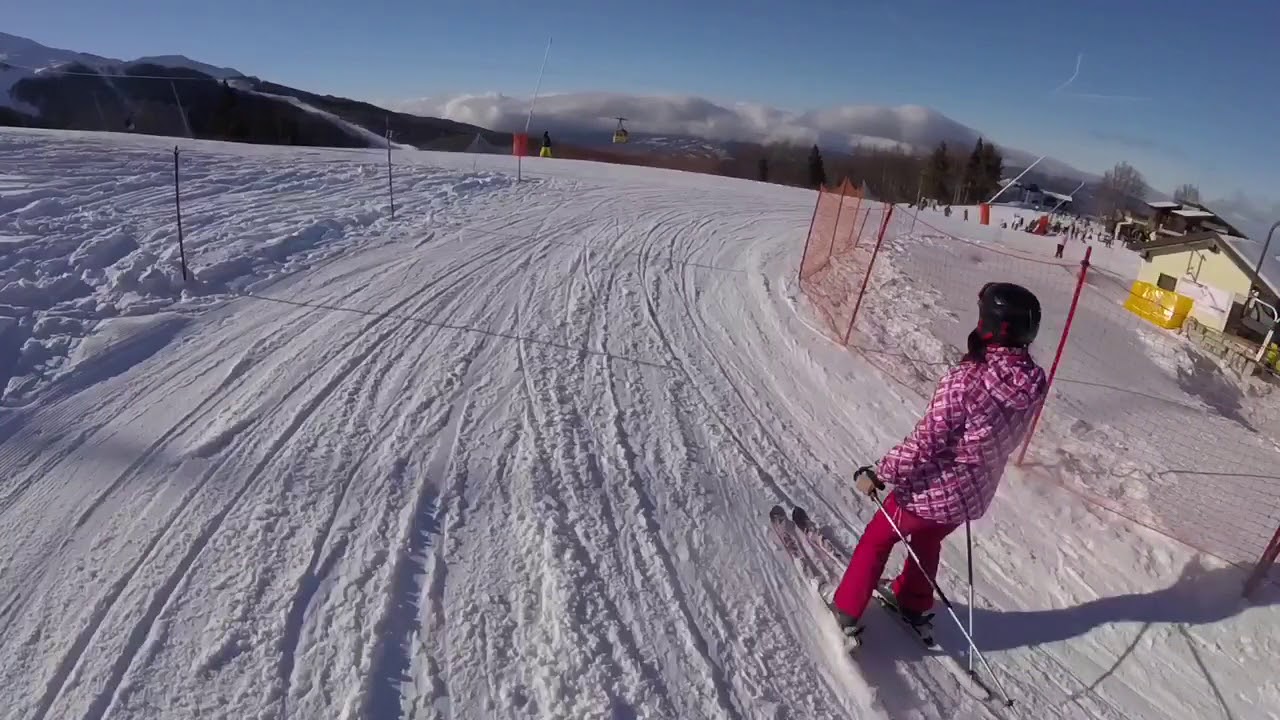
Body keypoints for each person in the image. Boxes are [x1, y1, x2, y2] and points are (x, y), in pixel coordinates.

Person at [826, 283, 1049, 645]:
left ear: (990, 324)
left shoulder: (967, 380)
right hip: (973, 493)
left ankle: (847, 607)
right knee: (929, 539)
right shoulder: (1034, 379)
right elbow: (1010, 435)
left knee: (878, 538)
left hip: (932, 490)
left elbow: (927, 441)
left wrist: (880, 472)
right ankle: (912, 601)